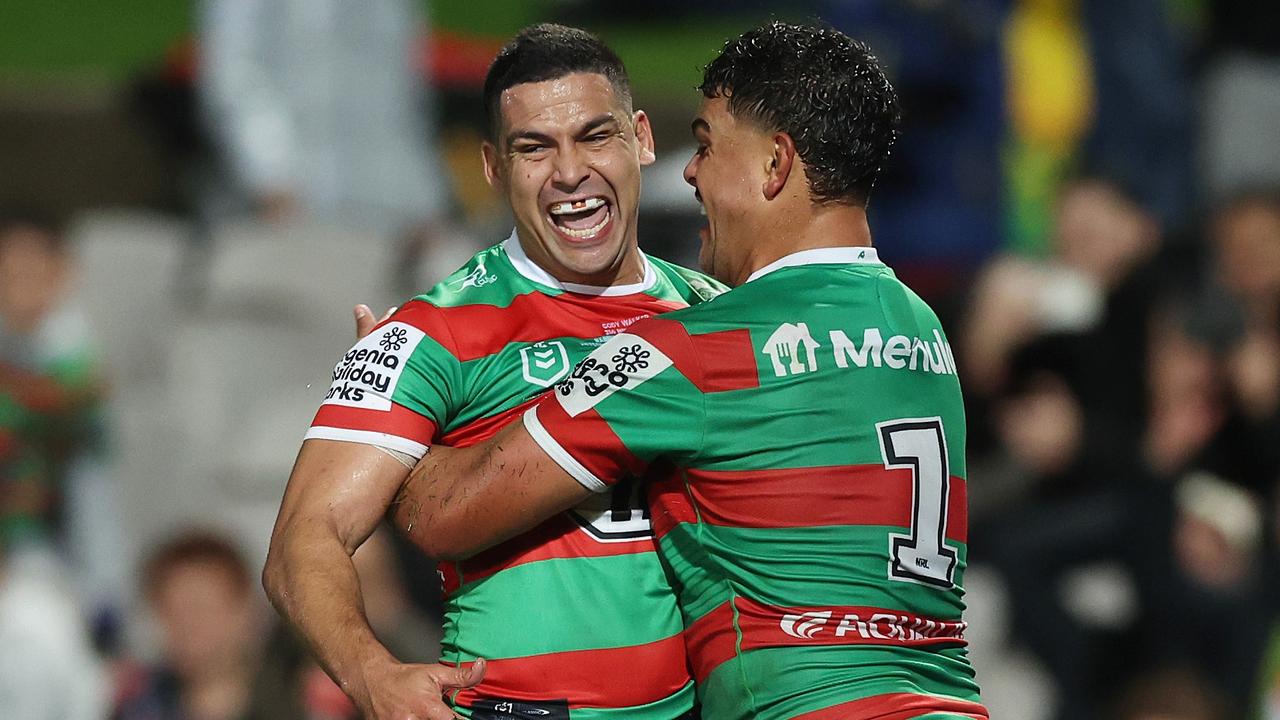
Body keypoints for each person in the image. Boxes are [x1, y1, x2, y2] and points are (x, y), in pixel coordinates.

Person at [391, 22, 987, 720]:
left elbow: (444, 516)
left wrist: (406, 377)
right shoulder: (920, 326)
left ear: (775, 164)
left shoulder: (695, 350)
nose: (689, 173)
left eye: (706, 146)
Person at [263, 24, 724, 720]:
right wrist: (373, 675)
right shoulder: (428, 333)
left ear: (642, 139)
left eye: (594, 136)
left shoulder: (716, 315)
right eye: (534, 148)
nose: (569, 172)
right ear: (493, 168)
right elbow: (305, 537)